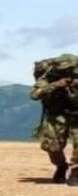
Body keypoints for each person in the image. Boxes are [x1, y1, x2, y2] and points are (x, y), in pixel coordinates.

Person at [30, 54, 78, 185]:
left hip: (76, 114)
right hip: (56, 116)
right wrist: (56, 85)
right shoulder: (49, 77)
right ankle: (61, 166)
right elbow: (34, 94)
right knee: (52, 147)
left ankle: (76, 171)